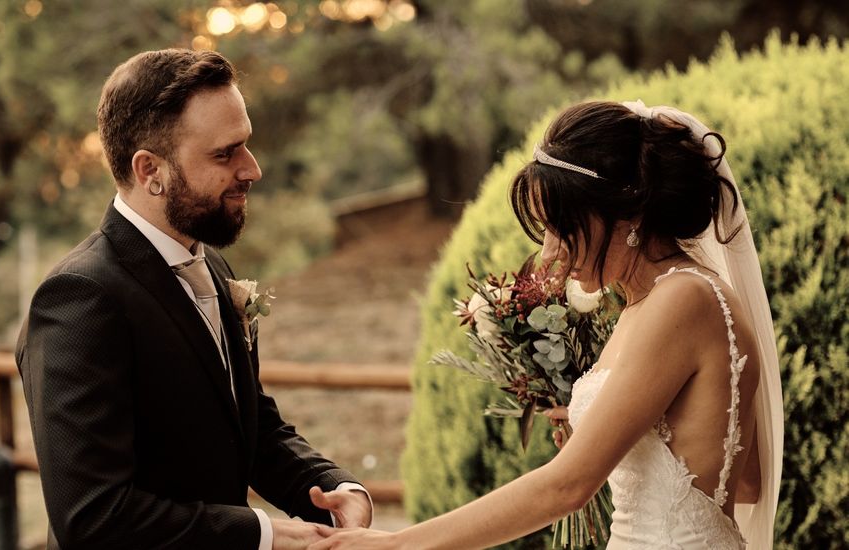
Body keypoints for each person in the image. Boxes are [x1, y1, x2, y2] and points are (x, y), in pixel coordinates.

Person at [311, 100, 783, 549]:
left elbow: (566, 488)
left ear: (629, 212)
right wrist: (625, 443)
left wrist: (397, 543)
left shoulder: (684, 299)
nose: (550, 254)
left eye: (563, 226)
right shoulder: (653, 302)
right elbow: (745, 481)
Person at [16, 49, 372, 550]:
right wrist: (262, 533)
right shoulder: (79, 299)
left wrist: (335, 487)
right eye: (224, 154)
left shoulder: (212, 267)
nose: (252, 169)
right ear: (150, 171)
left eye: (246, 145)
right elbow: (93, 516)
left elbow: (248, 427)